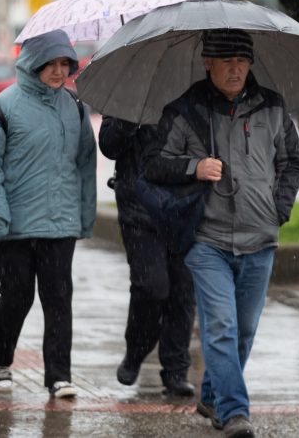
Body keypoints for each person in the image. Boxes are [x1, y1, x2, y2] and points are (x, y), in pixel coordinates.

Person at [142, 29, 299, 438]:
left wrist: (278, 210)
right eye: (226, 61)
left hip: (260, 238)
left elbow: (292, 163)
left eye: (242, 61)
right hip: (206, 239)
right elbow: (153, 164)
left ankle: (213, 397)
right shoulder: (185, 110)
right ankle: (235, 413)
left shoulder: (272, 106)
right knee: (220, 328)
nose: (236, 69)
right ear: (207, 63)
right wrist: (193, 168)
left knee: (244, 331)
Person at [0, 29, 97, 399]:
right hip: (12, 227)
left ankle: (59, 374)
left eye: (65, 64)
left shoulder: (75, 107)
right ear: (33, 63)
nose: (59, 72)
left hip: (60, 223)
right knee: (18, 295)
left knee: (58, 298)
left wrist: (84, 216)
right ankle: (0, 357)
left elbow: (85, 165)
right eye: (52, 64)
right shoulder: (3, 108)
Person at [98, 117, 196, 397]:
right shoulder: (132, 92)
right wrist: (129, 122)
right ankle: (136, 350)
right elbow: (109, 146)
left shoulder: (193, 92)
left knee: (183, 291)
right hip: (139, 209)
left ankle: (176, 369)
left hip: (184, 208)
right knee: (151, 287)